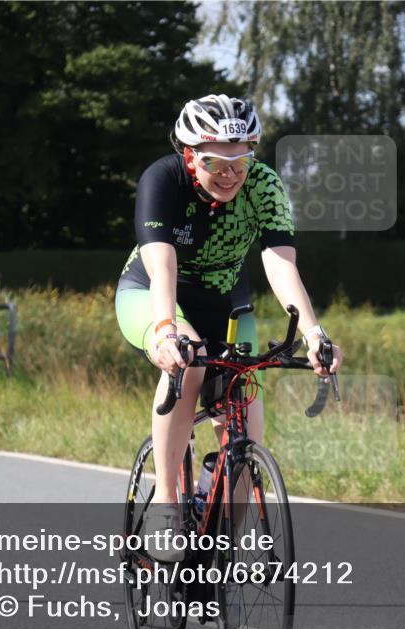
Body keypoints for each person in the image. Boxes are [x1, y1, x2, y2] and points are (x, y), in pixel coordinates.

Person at [115, 94, 343, 562]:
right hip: (154, 293)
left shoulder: (264, 185)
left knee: (245, 429)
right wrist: (164, 331)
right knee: (191, 363)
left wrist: (314, 334)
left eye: (241, 159)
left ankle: (220, 560)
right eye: (216, 161)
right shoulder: (164, 179)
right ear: (189, 155)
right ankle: (165, 505)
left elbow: (280, 265)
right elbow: (162, 267)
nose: (230, 173)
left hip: (227, 303)